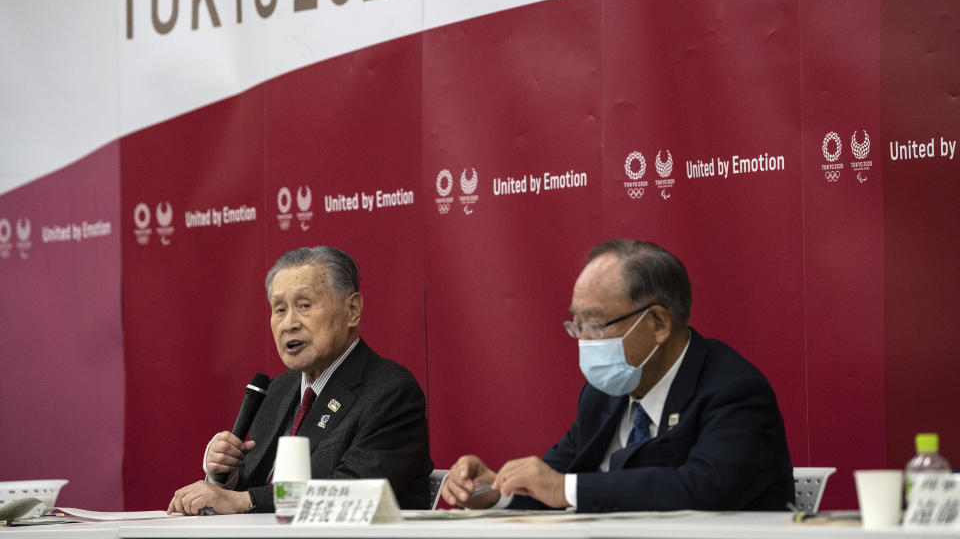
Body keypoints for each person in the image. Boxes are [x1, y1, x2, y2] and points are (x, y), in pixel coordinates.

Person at [442, 239, 794, 512]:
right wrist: (493, 492)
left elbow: (704, 488)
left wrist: (565, 489)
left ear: (657, 323)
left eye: (594, 324)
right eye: (576, 325)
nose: (583, 341)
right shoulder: (604, 393)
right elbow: (550, 481)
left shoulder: (732, 388)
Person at [168, 246, 433, 515]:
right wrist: (226, 478)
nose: (289, 324)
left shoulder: (390, 392)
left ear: (352, 310)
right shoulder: (279, 390)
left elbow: (353, 492)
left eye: (304, 306)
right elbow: (256, 490)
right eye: (279, 310)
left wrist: (246, 500)